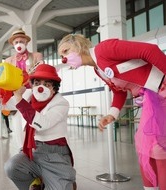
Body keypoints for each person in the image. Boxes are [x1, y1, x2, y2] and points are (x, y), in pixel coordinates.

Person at [58, 34, 166, 190]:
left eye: (66, 51)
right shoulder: (98, 70)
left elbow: (150, 50)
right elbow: (119, 92)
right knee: (146, 148)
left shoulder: (104, 49)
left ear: (79, 45)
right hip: (151, 100)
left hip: (161, 93)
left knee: (158, 149)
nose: (64, 59)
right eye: (62, 56)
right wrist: (111, 114)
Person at [4, 64, 76, 190]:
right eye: (37, 83)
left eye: (47, 84)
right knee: (12, 167)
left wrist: (19, 99)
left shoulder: (61, 103)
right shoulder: (28, 95)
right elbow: (1, 105)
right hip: (33, 150)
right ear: (32, 85)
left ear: (54, 89)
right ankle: (35, 182)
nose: (40, 88)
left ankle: (62, 179)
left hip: (55, 155)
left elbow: (42, 124)